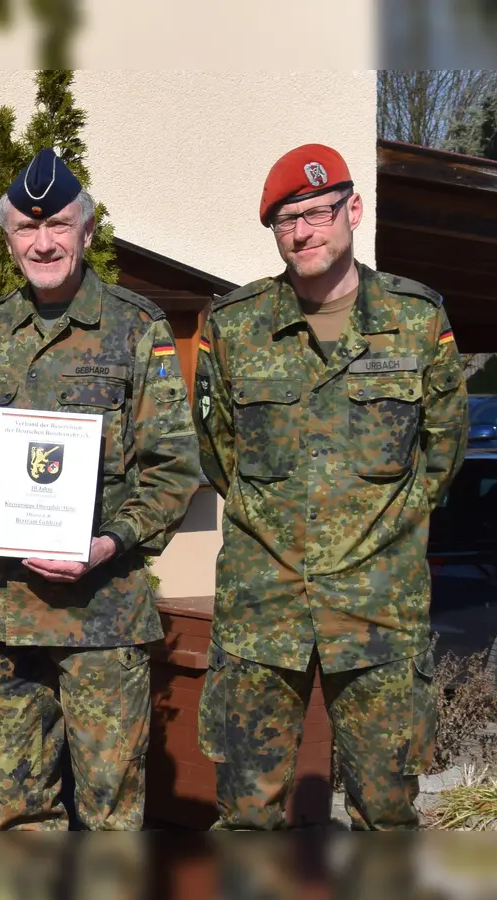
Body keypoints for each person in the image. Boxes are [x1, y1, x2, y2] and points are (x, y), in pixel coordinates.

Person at [192, 143, 467, 829]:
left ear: (353, 210)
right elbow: (216, 453)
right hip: (262, 611)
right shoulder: (233, 328)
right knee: (248, 818)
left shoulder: (417, 320)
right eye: (287, 220)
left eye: (318, 212)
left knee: (387, 815)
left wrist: (376, 534)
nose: (304, 232)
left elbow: (444, 452)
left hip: (378, 612)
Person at [0, 148, 200, 830]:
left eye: (58, 224)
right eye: (27, 230)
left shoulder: (134, 327)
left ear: (87, 232)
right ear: (9, 241)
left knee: (111, 818)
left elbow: (174, 466)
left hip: (102, 617)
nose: (43, 241)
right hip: (2, 617)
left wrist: (109, 543)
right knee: (16, 819)